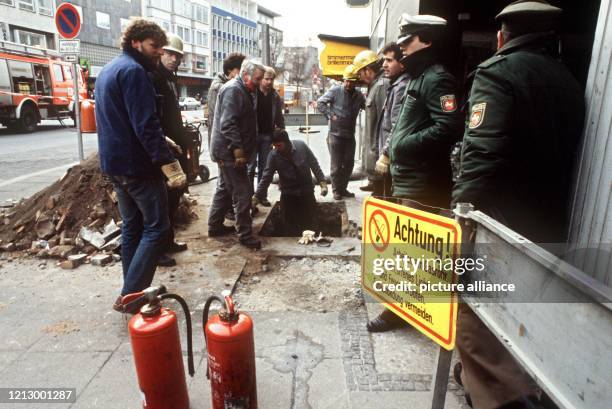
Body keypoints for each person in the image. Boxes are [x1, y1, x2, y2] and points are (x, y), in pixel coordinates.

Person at [452, 2, 584, 408]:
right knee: (524, 314)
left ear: (501, 36)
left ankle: (501, 397)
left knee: (476, 318)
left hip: (501, 221)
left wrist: (463, 215)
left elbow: (483, 153)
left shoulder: (498, 72)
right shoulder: (568, 78)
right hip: (549, 220)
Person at [366, 14, 464, 332]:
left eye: (408, 41)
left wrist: (404, 145)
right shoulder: (420, 77)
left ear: (427, 41)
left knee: (411, 252)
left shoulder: (437, 78)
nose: (403, 47)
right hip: (411, 179)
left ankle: (401, 311)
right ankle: (412, 307)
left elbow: (448, 125)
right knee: (410, 250)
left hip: (423, 183)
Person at [95, 18, 186, 311]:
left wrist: (164, 139)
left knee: (133, 227)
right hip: (138, 166)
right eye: (153, 47)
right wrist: (169, 166)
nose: (158, 52)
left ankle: (129, 288)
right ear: (136, 42)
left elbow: (122, 120)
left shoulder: (109, 69)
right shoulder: (135, 73)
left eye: (161, 48)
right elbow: (145, 126)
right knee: (158, 228)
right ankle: (133, 296)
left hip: (115, 164)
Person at [208, 60, 265, 249]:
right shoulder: (233, 90)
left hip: (227, 151)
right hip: (229, 152)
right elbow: (228, 124)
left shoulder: (244, 90)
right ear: (246, 75)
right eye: (257, 79)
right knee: (243, 192)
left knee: (224, 188)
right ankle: (245, 235)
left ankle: (214, 226)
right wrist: (238, 152)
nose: (259, 82)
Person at [150, 33, 189, 268]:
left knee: (174, 195)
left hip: (174, 146)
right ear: (161, 52)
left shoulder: (170, 78)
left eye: (178, 56)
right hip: (163, 147)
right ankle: (158, 250)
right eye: (171, 54)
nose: (175, 59)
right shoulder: (153, 77)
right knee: (161, 201)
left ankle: (168, 241)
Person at [252, 129, 328, 236]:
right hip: (288, 195)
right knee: (290, 227)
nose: (276, 148)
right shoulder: (273, 156)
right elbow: (266, 177)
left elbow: (314, 164)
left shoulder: (301, 147)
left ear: (286, 142)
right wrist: (256, 197)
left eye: (279, 145)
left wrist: (322, 183)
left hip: (306, 193)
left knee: (310, 224)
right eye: (274, 146)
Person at [317, 64, 365, 200]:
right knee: (336, 165)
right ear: (343, 80)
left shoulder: (359, 96)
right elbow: (320, 102)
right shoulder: (335, 91)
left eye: (351, 81)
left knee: (349, 163)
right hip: (335, 135)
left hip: (350, 135)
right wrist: (329, 115)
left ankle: (343, 188)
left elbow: (367, 105)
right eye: (347, 81)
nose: (348, 84)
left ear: (355, 82)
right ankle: (336, 190)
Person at [374, 42, 410, 198]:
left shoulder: (401, 86)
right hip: (390, 159)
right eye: (384, 60)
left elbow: (397, 125)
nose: (384, 65)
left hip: (393, 160)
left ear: (401, 64)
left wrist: (386, 154)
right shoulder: (395, 85)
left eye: (389, 60)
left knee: (391, 202)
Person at [352, 50, 388, 195]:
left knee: (382, 198)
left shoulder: (381, 86)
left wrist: (383, 155)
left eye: (360, 73)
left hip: (379, 156)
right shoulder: (375, 86)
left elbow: (385, 124)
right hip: (375, 156)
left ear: (367, 70)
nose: (359, 77)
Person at [250, 66, 285, 207]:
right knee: (250, 167)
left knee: (265, 168)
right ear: (261, 79)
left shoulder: (275, 96)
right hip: (253, 135)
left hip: (267, 136)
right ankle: (248, 198)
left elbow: (279, 116)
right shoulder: (253, 93)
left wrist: (281, 132)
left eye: (271, 79)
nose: (269, 82)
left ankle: (261, 196)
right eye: (266, 79)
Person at [206, 52, 246, 149]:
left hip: (230, 140)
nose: (242, 73)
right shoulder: (220, 87)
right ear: (230, 70)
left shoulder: (232, 85)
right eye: (239, 70)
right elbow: (223, 119)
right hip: (223, 142)